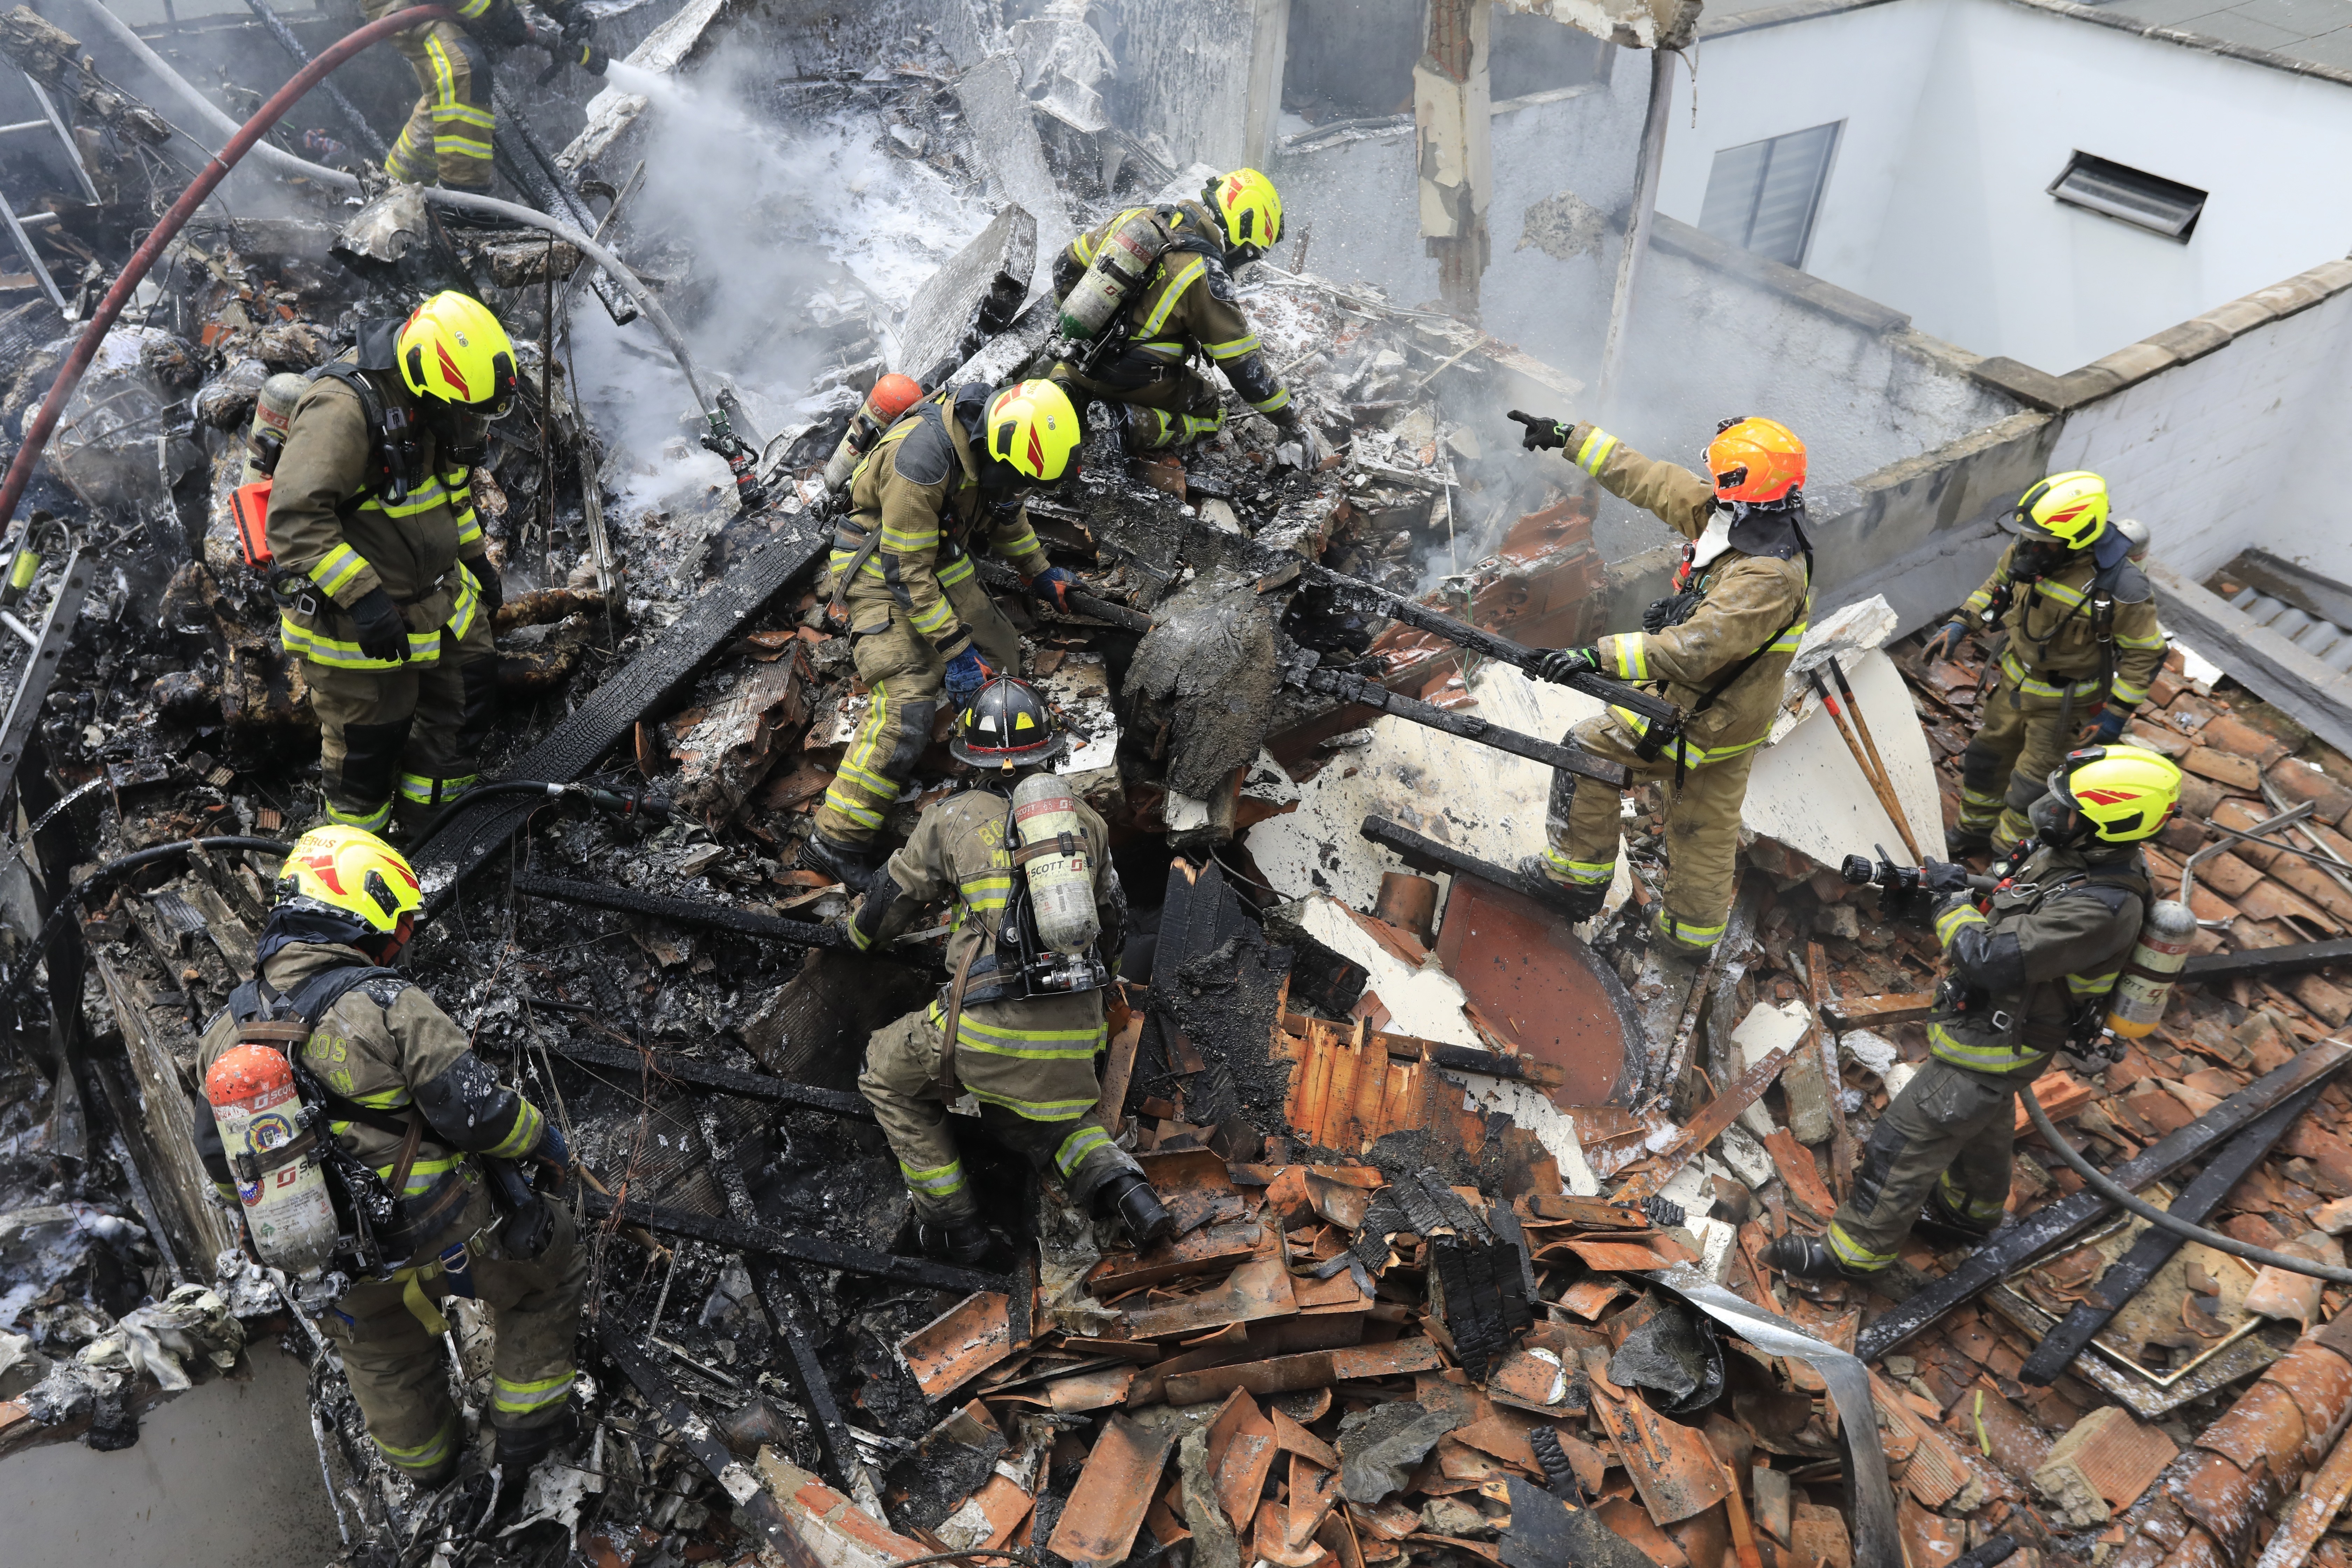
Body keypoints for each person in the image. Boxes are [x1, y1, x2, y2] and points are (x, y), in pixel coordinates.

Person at [194, 826, 583, 1485]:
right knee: (555, 1266)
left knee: (383, 1364)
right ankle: (525, 1438)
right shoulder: (384, 1002)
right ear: (362, 911)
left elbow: (219, 1161)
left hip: (337, 1263)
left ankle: (432, 1475)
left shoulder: (222, 1036)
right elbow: (478, 1112)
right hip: (451, 1234)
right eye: (395, 926)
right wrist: (543, 1142)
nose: (397, 944)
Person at [1764, 745, 2182, 1283]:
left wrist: (1948, 907)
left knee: (1903, 1140)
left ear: (2113, 825)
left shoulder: (2102, 908)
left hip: (1999, 1040)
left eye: (2068, 810)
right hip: (1991, 1027)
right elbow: (2012, 901)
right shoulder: (2074, 854)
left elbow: (1990, 958)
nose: (2051, 816)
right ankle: (1969, 1212)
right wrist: (1929, 895)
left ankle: (1853, 1255)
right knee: (1980, 1122)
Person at [847, 677, 1170, 1265]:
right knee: (1049, 1128)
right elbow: (1113, 926)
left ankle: (952, 1227)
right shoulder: (1086, 825)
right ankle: (1128, 1191)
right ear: (1048, 749)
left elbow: (887, 905)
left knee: (884, 1069)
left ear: (972, 757)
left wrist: (857, 933)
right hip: (1076, 1037)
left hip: (986, 1033)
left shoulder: (953, 818)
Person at [1507, 413, 1813, 957]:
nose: (1712, 485)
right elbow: (1651, 479)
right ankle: (1690, 939)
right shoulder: (1752, 523)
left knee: (1588, 750)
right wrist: (1568, 438)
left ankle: (1573, 883)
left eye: (1722, 474)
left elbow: (1693, 651)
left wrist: (1593, 655)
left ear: (1743, 483)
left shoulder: (1766, 576)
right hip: (1739, 719)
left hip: (1700, 714)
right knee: (1704, 828)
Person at [805, 379, 1084, 890]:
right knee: (910, 699)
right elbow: (906, 573)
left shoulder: (997, 442)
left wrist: (1039, 571)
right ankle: (836, 838)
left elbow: (1005, 514)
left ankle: (982, 775)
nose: (1014, 486)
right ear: (994, 450)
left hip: (940, 554)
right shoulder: (923, 462)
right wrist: (954, 654)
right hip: (878, 567)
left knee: (1004, 664)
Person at [267, 291, 513, 835]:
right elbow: (294, 519)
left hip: (438, 599)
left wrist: (475, 561)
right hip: (357, 627)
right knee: (368, 753)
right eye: (463, 413)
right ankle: (362, 858)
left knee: (469, 697)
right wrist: (365, 599)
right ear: (425, 384)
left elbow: (450, 494)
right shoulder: (343, 410)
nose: (470, 426)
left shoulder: (438, 408)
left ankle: (435, 827)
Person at [1923, 473, 2165, 858]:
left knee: (2032, 787)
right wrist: (1962, 619)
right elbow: (1996, 584)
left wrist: (2115, 716)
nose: (2031, 547)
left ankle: (2004, 857)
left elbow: (2145, 654)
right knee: (1986, 761)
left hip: (2066, 707)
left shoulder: (2123, 588)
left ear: (2077, 538)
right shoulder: (2033, 547)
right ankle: (1972, 831)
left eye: (2044, 541)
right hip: (2013, 690)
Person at [1049, 168, 1306, 453]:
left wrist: (1071, 321)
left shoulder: (1135, 218)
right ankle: (1127, 423)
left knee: (1079, 373)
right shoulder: (1206, 273)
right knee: (1213, 411)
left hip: (1074, 361)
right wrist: (1289, 419)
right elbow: (1244, 368)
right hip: (1132, 381)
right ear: (1242, 233)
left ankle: (1064, 389)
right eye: (1249, 256)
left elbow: (1065, 265)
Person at [366, 0, 604, 191]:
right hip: (408, 4)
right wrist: (497, 12)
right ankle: (464, 199)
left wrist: (565, 8)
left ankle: (396, 191)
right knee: (465, 68)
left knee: (454, 100)